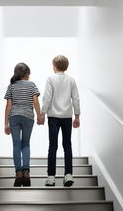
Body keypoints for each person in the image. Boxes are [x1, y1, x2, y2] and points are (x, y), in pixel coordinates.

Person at [40, 55, 80, 187]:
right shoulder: (71, 80)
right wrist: (77, 116)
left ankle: (51, 177)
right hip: (67, 117)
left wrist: (42, 113)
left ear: (55, 66)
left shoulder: (51, 78)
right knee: (67, 146)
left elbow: (47, 98)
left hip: (54, 117)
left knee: (53, 146)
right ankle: (68, 174)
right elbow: (76, 99)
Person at [4, 62, 43, 187]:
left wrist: (6, 123)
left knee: (16, 145)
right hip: (28, 117)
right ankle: (26, 173)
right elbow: (35, 102)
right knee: (25, 144)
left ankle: (18, 174)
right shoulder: (32, 85)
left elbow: (8, 106)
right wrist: (39, 116)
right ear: (27, 73)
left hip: (14, 117)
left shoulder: (11, 86)